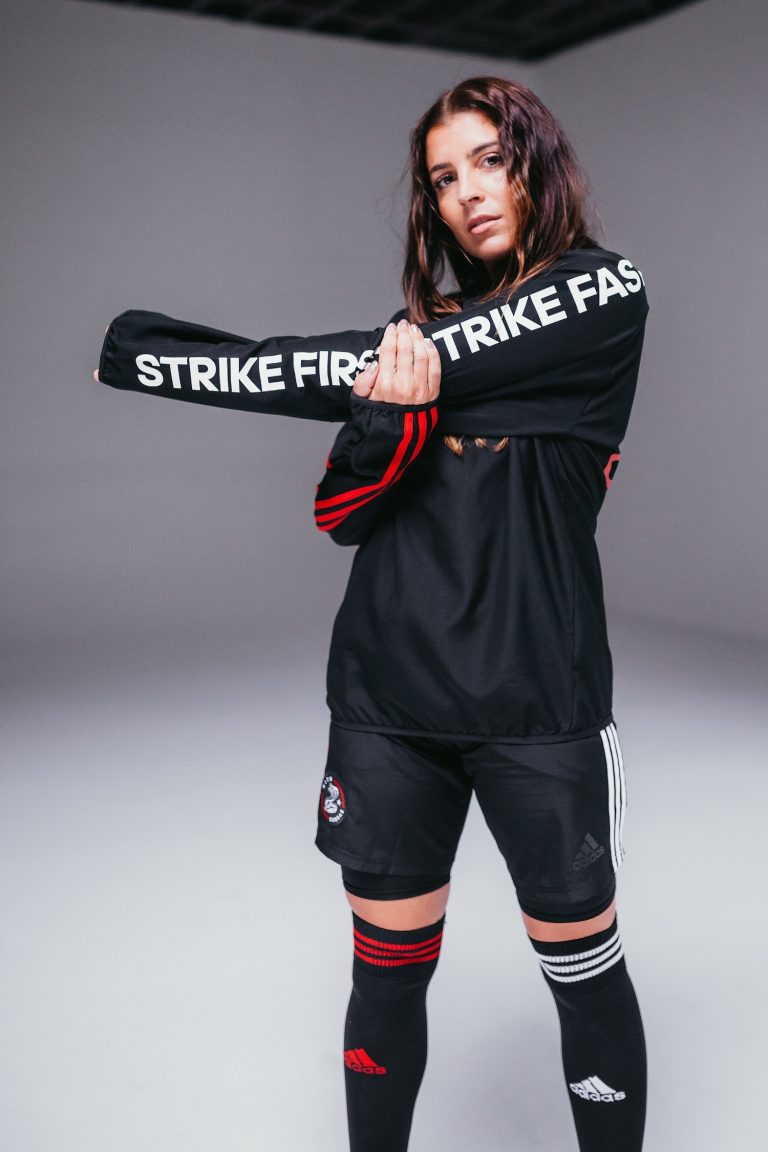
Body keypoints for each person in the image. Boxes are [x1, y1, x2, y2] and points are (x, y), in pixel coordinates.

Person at [95, 77, 648, 1152]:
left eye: (490, 160)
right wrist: (390, 415)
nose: (466, 193)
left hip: (539, 706)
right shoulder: (410, 339)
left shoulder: (601, 297)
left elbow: (365, 367)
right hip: (388, 707)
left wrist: (155, 357)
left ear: (537, 164)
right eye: (443, 178)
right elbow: (341, 515)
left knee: (584, 976)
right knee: (385, 981)